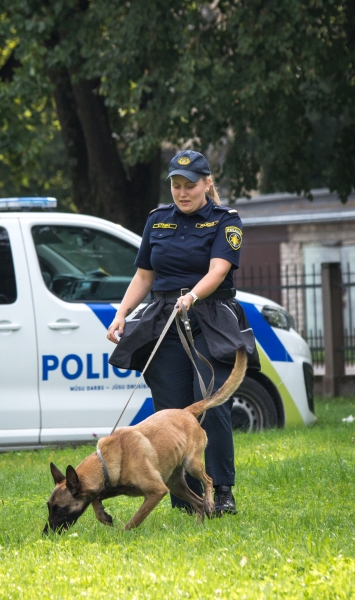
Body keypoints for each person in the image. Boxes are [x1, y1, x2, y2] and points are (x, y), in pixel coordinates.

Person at [107, 150, 259, 516]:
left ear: (207, 184)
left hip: (210, 316)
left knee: (209, 402)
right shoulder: (157, 221)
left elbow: (218, 270)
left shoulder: (226, 221)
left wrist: (191, 296)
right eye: (176, 185)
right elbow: (145, 275)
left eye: (190, 185)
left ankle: (222, 491)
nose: (182, 192)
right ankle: (183, 497)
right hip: (164, 317)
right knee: (170, 412)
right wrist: (122, 313)